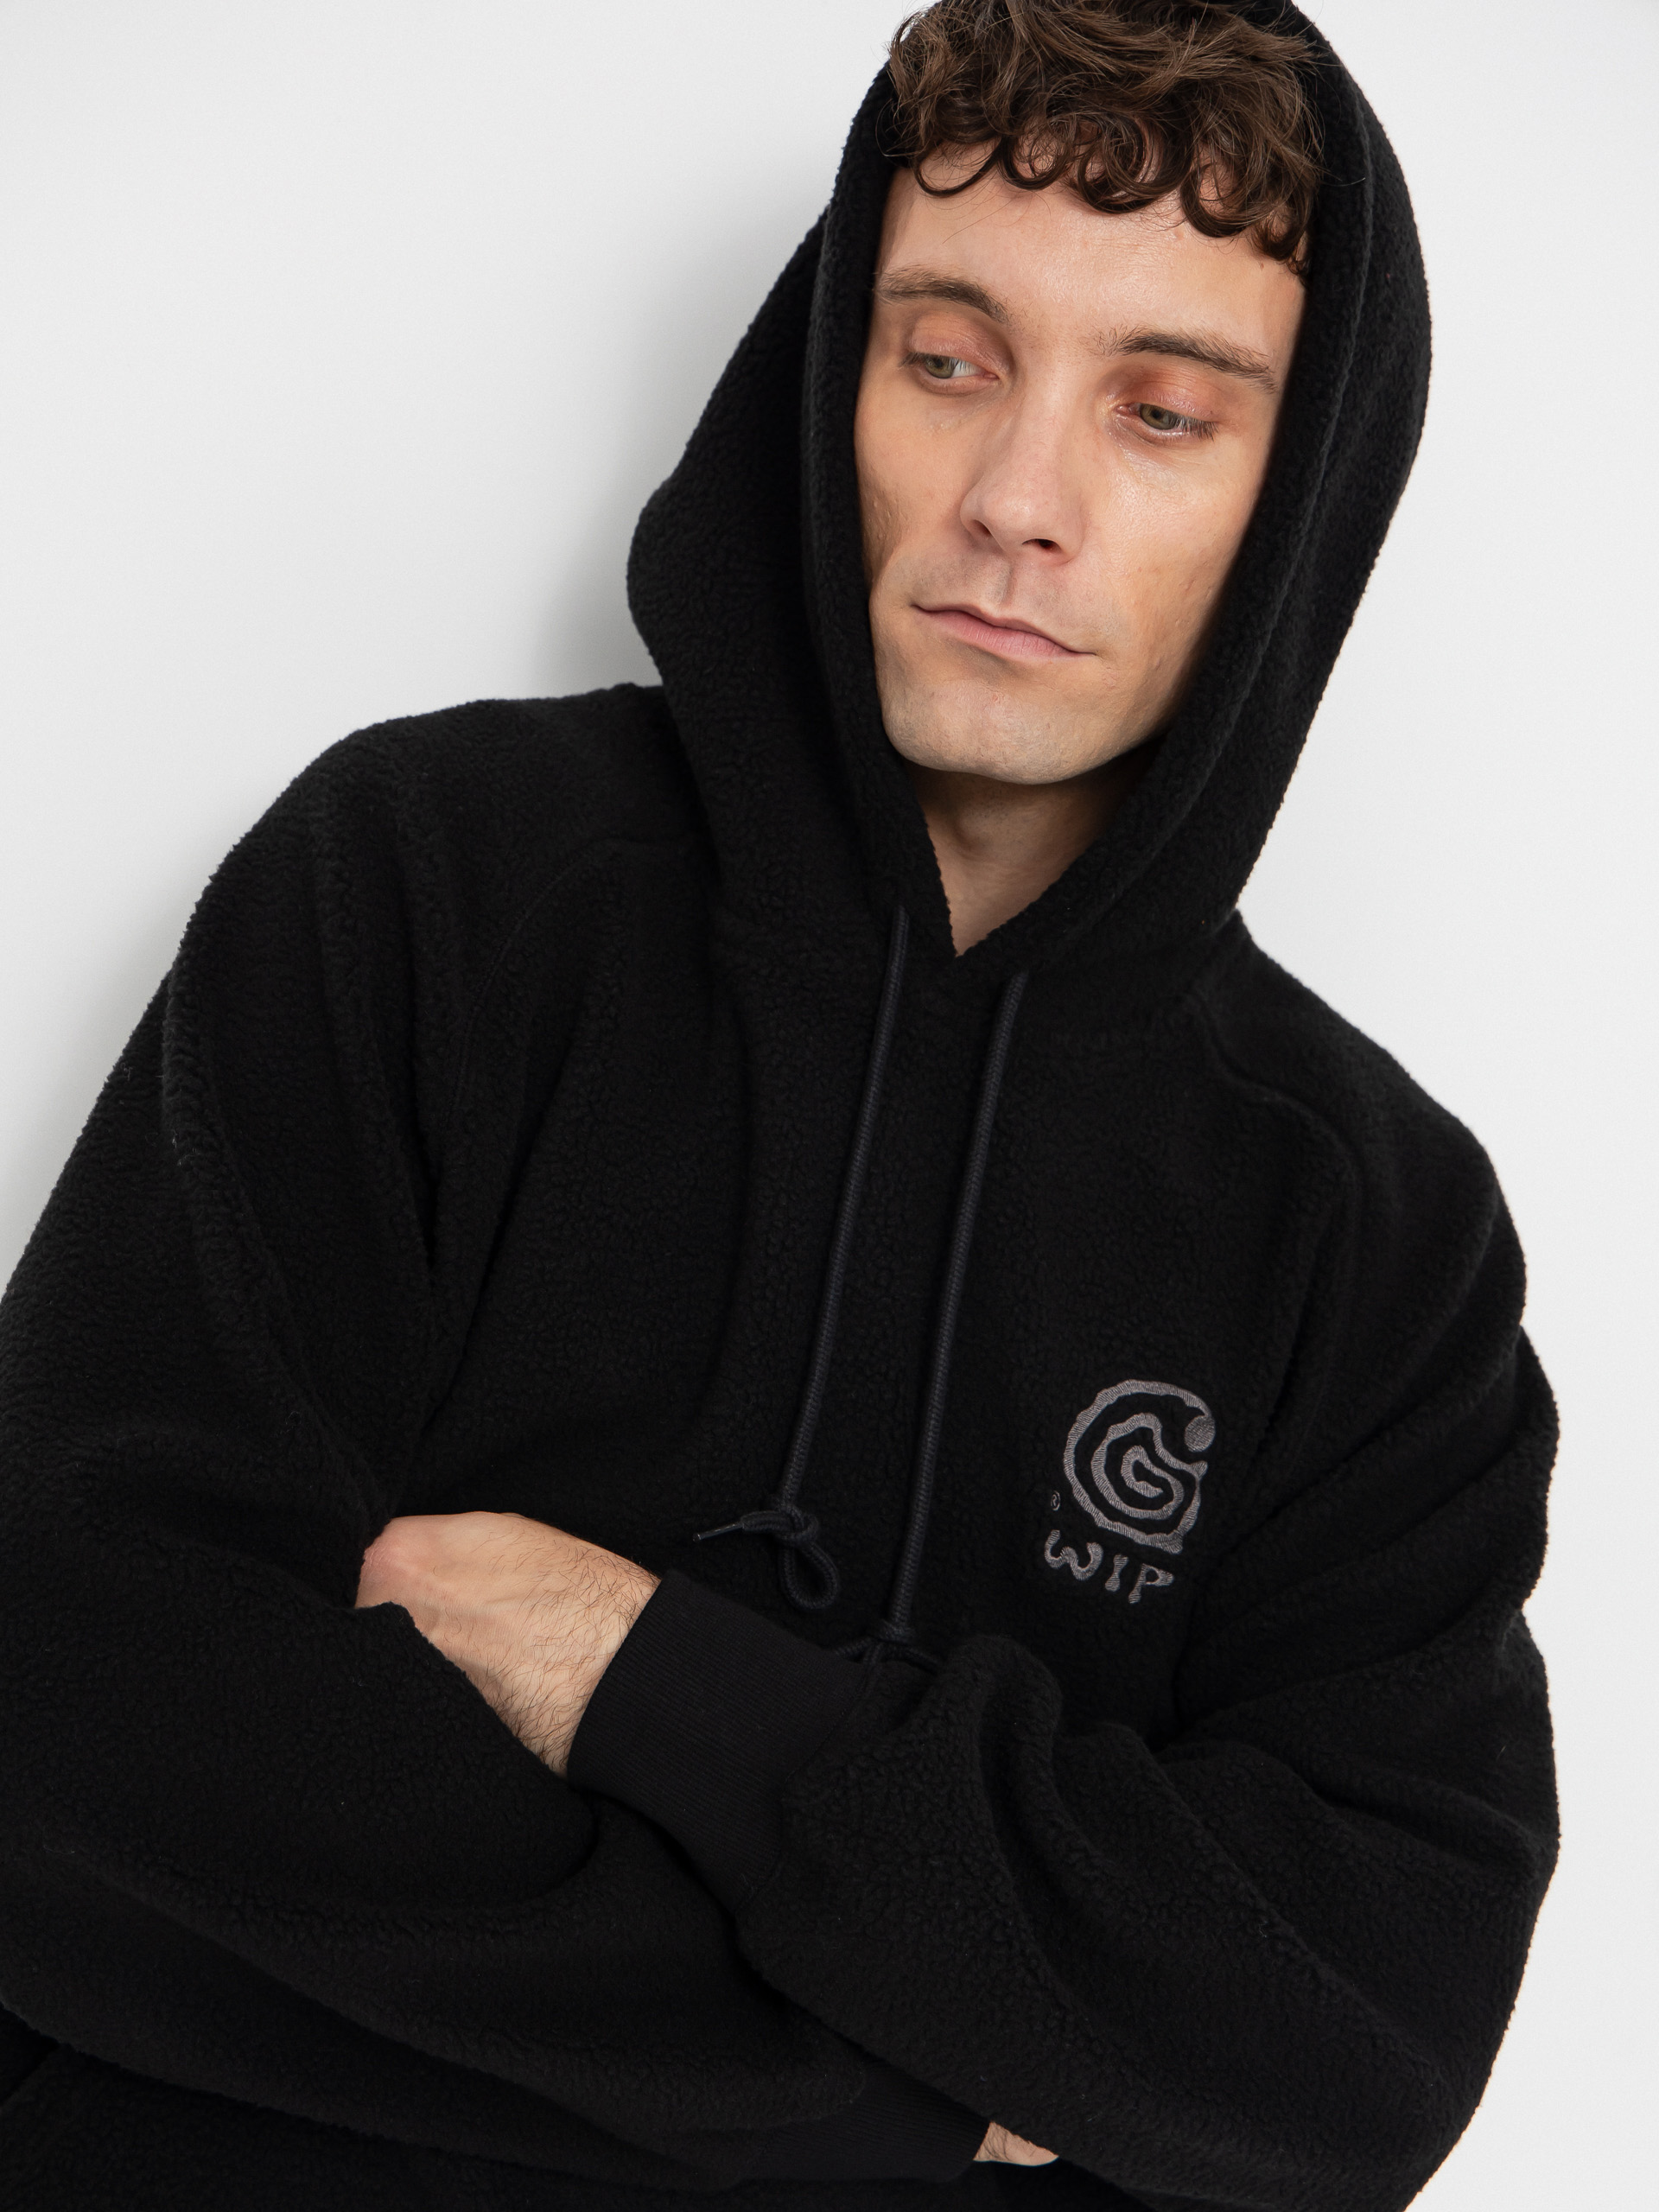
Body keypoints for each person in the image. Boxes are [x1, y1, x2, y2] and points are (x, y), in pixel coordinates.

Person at [0, 1, 1557, 2206]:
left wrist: (648, 1682)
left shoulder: (1371, 1227)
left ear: (1298, 496)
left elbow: (1353, 2041)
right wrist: (906, 2094)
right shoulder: (424, 892)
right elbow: (78, 1734)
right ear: (832, 374)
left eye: (1161, 411)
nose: (1017, 501)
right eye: (948, 359)